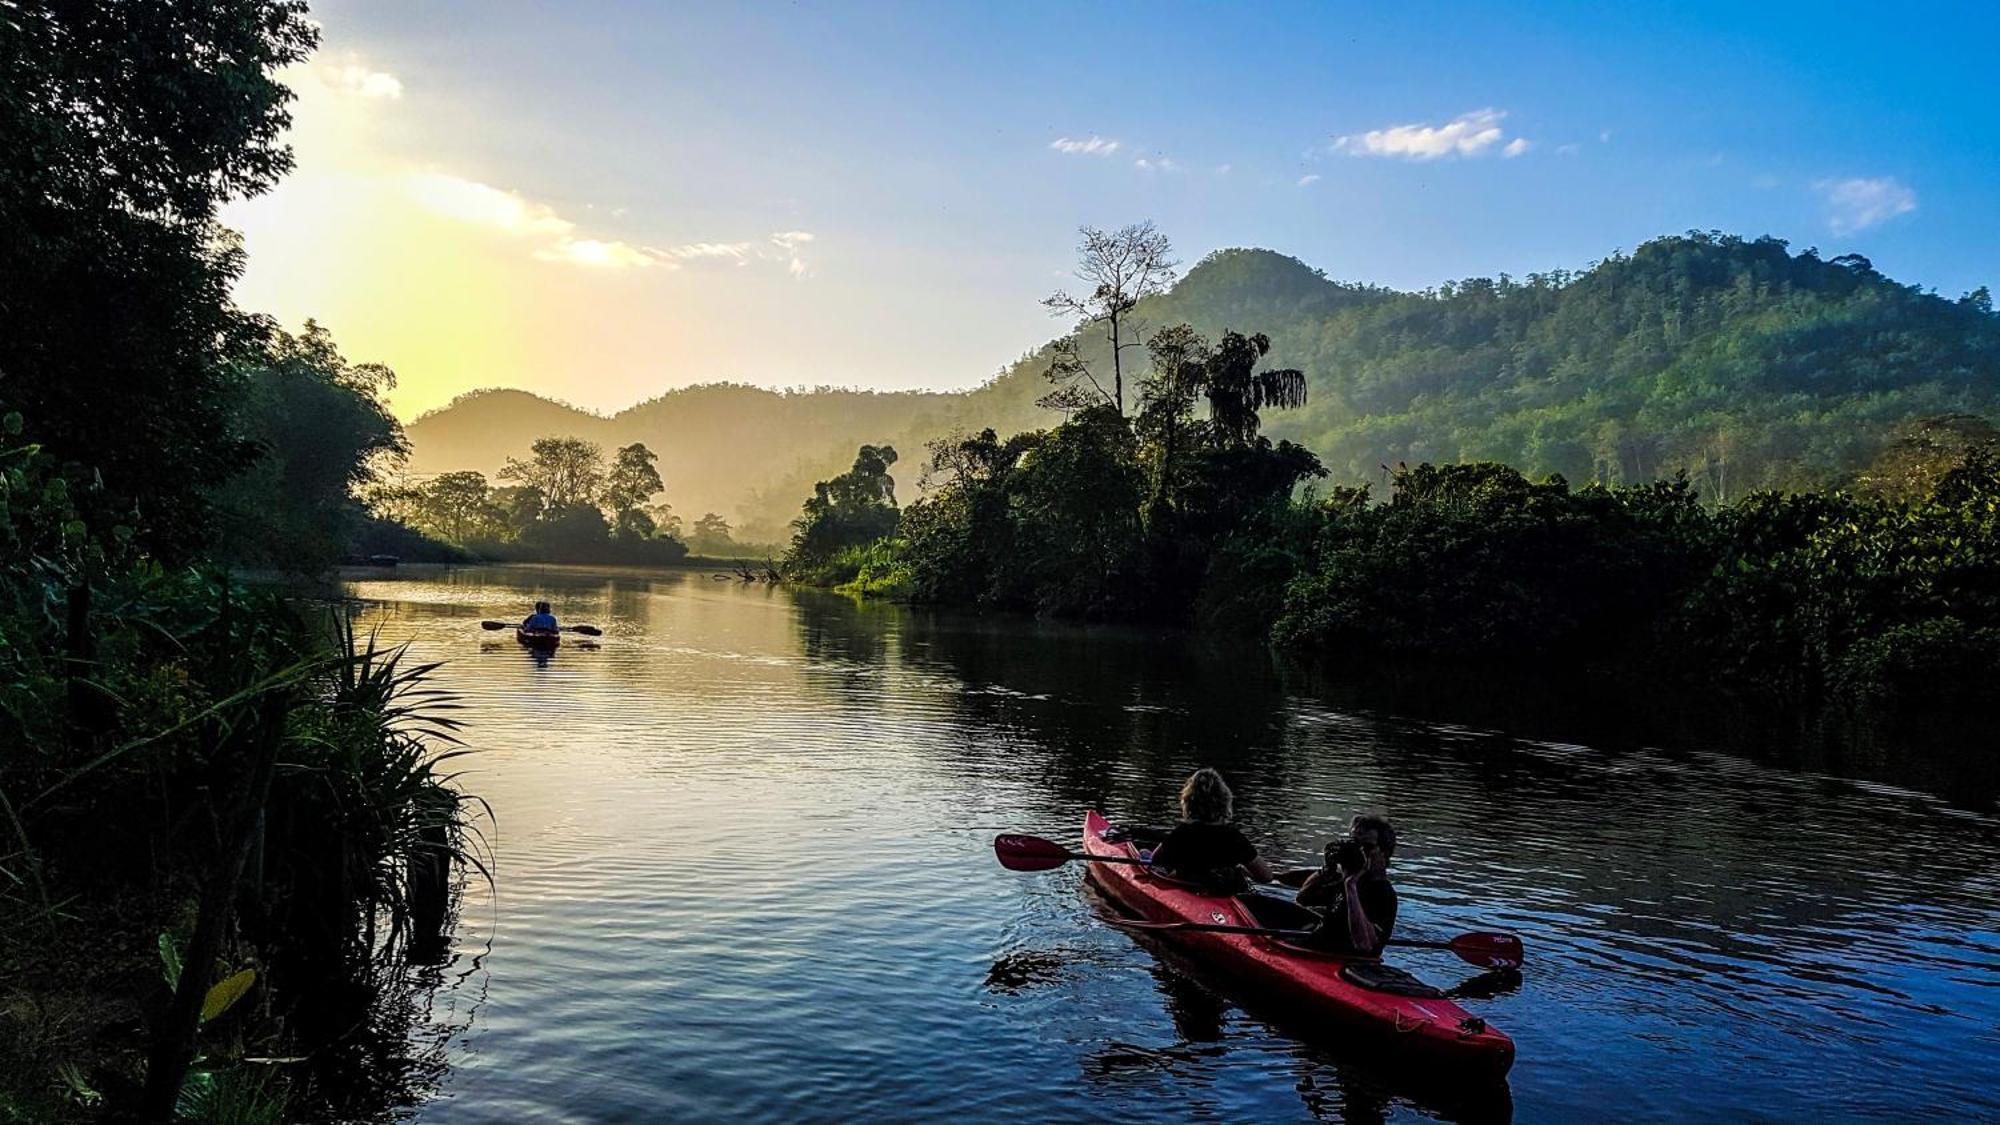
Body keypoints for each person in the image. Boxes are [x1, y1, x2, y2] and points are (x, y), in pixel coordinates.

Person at [1117, 767, 1275, 892]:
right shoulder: (1234, 837)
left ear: (1188, 802)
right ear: (1225, 802)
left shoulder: (1183, 832)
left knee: (1145, 852)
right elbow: (1266, 877)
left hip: (1190, 891)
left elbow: (1155, 860)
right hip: (1223, 892)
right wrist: (1240, 868)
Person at [1296, 814, 1399, 955]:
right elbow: (1303, 899)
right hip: (1315, 948)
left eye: (1367, 847)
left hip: (1342, 961)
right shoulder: (1344, 879)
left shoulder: (1383, 894)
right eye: (1355, 844)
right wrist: (1326, 871)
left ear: (1384, 853)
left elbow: (1364, 945)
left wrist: (1351, 886)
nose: (1359, 851)